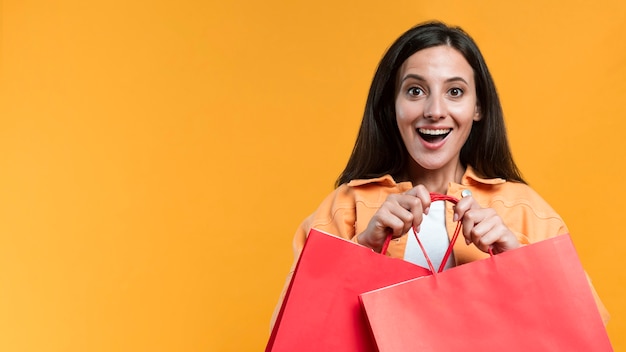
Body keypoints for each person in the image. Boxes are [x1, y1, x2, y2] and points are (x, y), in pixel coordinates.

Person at [271, 20, 609, 327]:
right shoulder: (345, 208)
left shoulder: (524, 212)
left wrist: (516, 258)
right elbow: (290, 333)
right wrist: (361, 250)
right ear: (392, 106)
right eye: (415, 91)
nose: (434, 111)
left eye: (455, 92)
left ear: (478, 108)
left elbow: (588, 330)